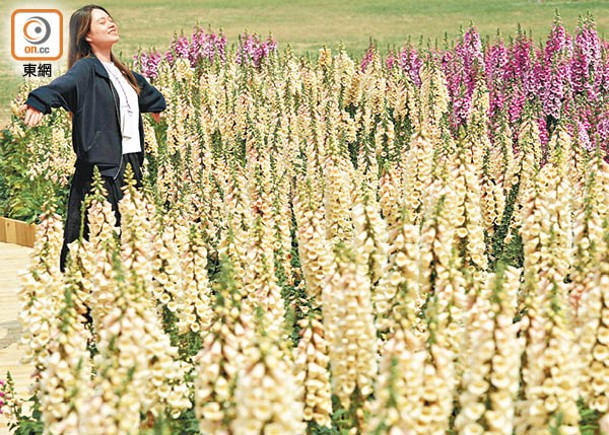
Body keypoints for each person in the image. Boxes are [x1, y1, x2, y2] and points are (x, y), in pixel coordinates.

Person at [21, 4, 166, 272]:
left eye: (110, 19)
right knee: (92, 241)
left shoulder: (123, 72)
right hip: (102, 167)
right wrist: (39, 102)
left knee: (131, 239)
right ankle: (83, 305)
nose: (111, 23)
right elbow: (61, 88)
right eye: (102, 22)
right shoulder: (86, 69)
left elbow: (147, 94)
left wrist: (157, 105)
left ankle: (125, 301)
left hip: (130, 164)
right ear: (87, 35)